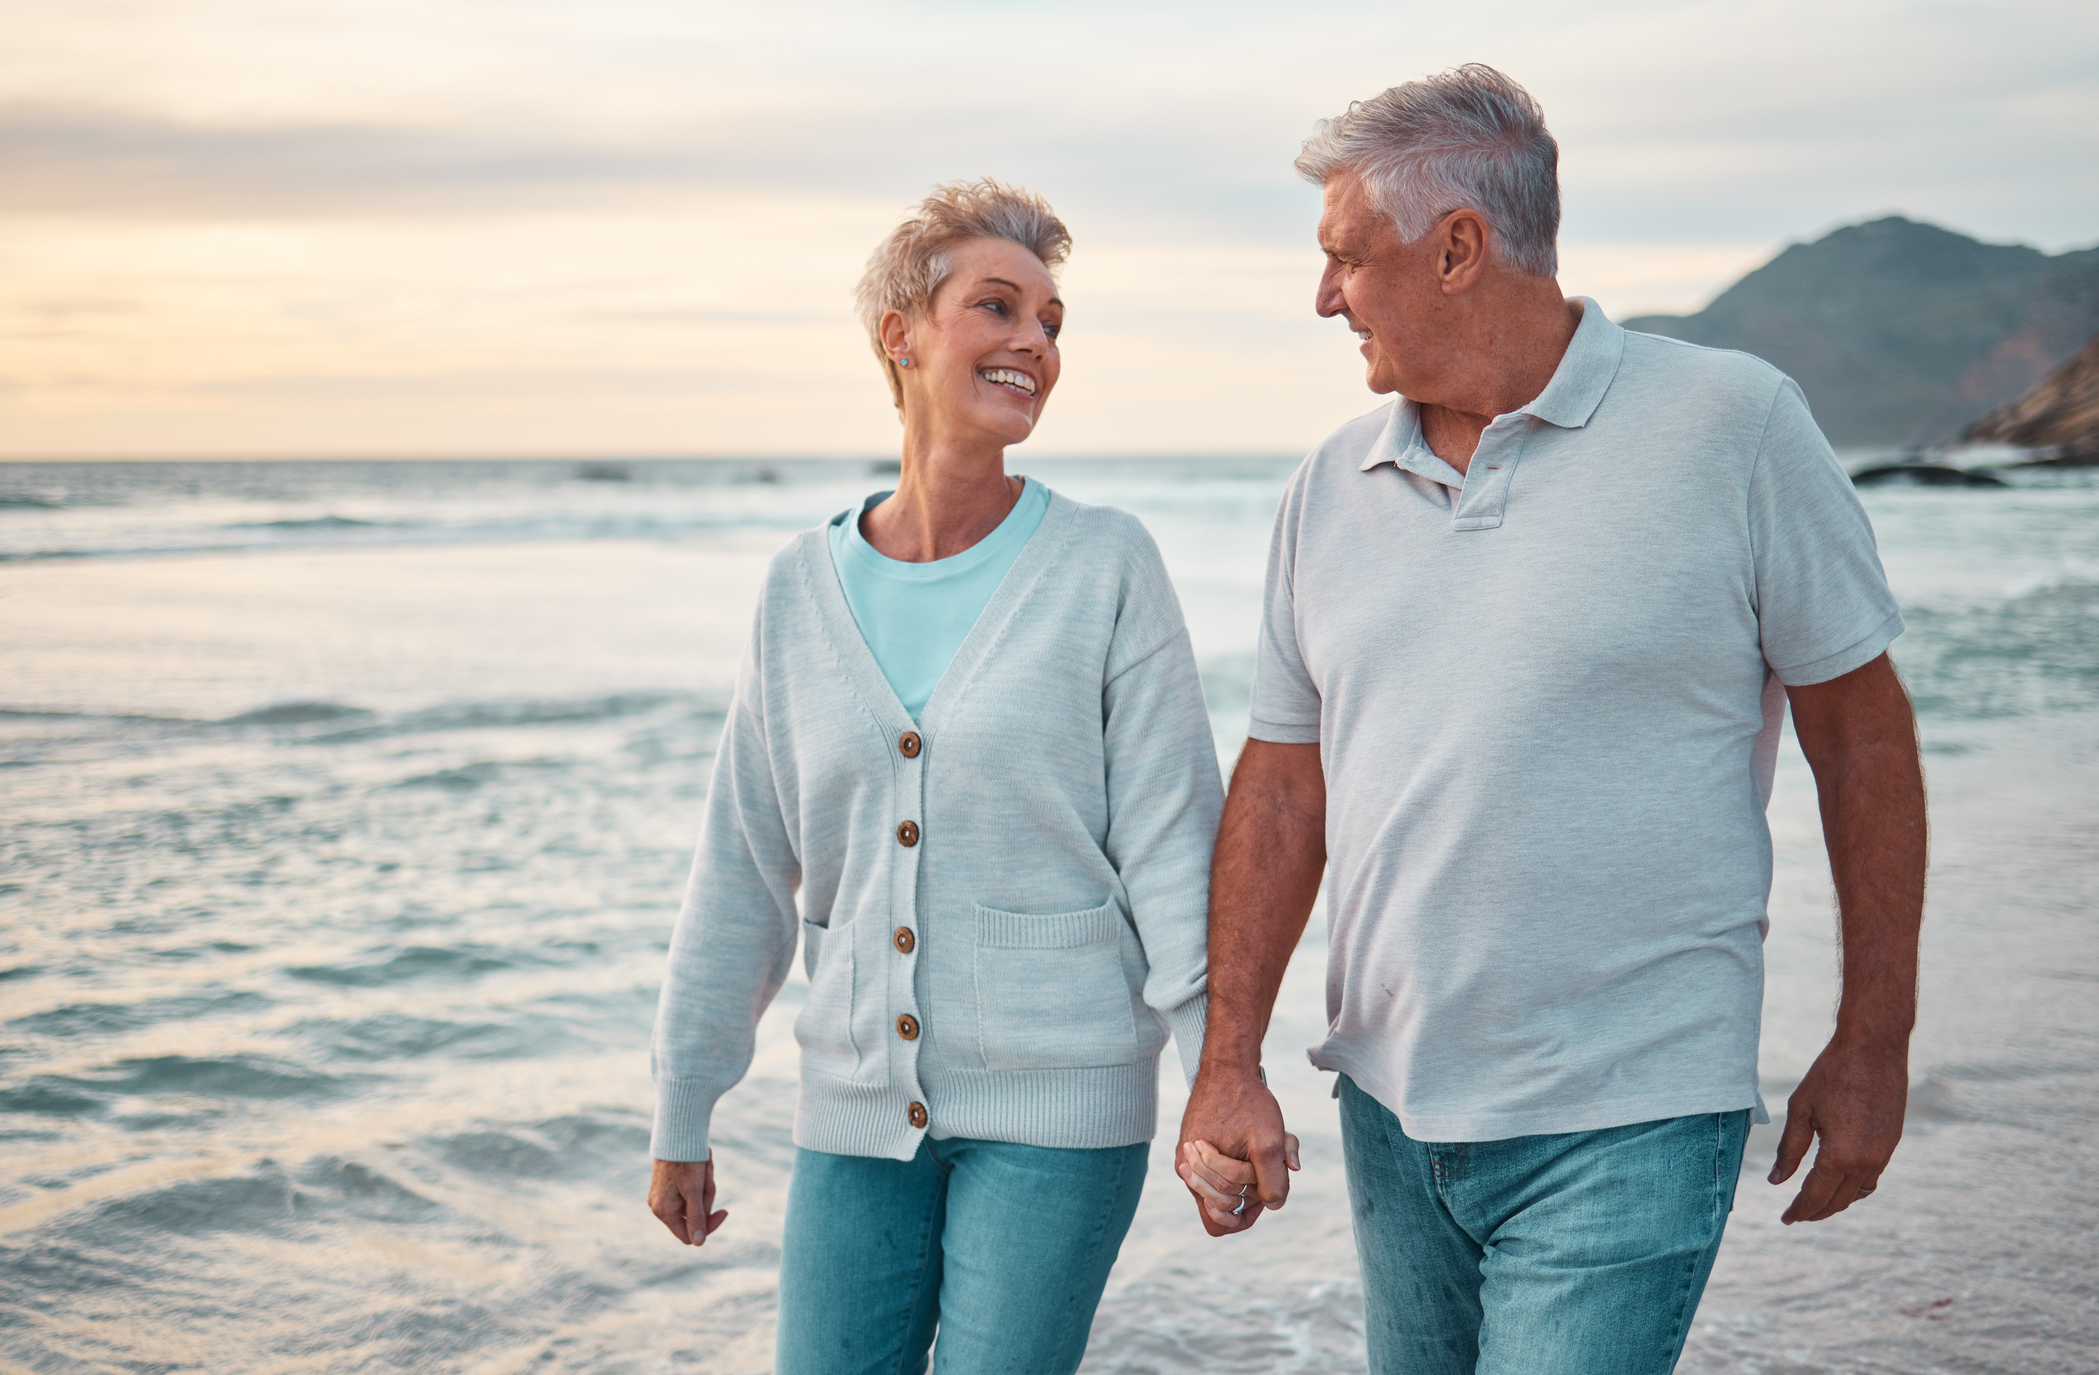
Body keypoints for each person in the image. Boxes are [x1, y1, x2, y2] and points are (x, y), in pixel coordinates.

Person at [1174, 66, 1926, 1374]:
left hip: (1629, 1105)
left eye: (1345, 258)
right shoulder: (1326, 487)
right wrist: (1224, 1057)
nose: (1323, 296)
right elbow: (1284, 783)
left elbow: (1860, 738)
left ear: (1457, 246)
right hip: (1392, 1109)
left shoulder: (1731, 425)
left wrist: (1873, 1037)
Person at [647, 180, 1223, 1375]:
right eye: (998, 306)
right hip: (855, 1114)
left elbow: (1175, 845)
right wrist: (683, 1104)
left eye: (1053, 322)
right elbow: (744, 867)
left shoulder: (1106, 565)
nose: (1034, 342)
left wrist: (1222, 1069)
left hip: (1062, 1109)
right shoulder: (796, 592)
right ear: (898, 333)